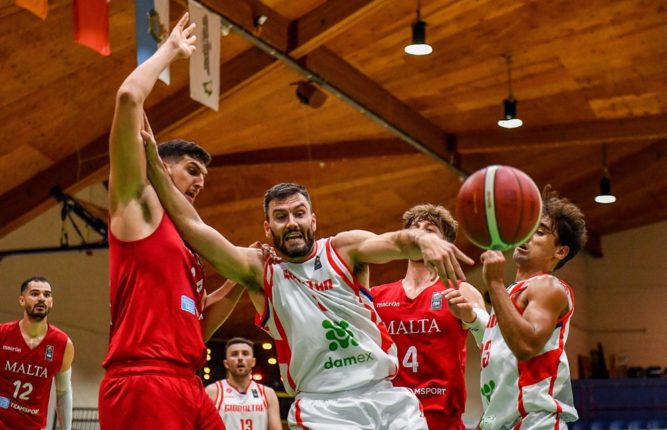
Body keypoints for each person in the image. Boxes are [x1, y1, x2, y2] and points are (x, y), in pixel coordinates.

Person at [142, 132, 475, 429]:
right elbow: (197, 230)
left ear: (313, 219)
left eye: (299, 213)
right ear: (267, 228)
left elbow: (394, 242)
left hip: (385, 397)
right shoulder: (260, 271)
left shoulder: (345, 249)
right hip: (322, 408)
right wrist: (158, 172)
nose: (292, 222)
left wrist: (421, 239)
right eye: (281, 217)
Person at [98, 13, 233, 430]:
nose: (200, 183)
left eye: (204, 177)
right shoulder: (137, 206)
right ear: (161, 163)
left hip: (188, 381)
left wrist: (241, 283)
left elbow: (198, 321)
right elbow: (127, 99)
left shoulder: (188, 239)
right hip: (142, 379)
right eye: (192, 170)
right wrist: (170, 49)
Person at [477, 186, 587, 429]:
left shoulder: (548, 286)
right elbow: (500, 350)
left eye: (539, 232)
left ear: (560, 251)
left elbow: (526, 346)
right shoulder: (508, 293)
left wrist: (493, 282)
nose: (526, 236)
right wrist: (473, 319)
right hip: (499, 420)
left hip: (536, 422)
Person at [372, 204, 488, 430]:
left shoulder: (461, 290)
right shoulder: (377, 296)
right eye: (414, 229)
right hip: (387, 419)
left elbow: (492, 342)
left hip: (441, 420)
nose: (419, 234)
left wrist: (472, 318)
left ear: (444, 245)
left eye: (429, 230)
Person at [0, 276, 74, 430]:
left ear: (51, 302)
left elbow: (63, 391)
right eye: (34, 294)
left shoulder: (63, 344)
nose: (42, 298)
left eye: (47, 295)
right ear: (22, 300)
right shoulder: (2, 334)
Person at [206, 337, 282, 430]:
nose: (240, 358)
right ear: (226, 363)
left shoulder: (268, 393)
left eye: (245, 354)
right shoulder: (213, 391)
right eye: (234, 354)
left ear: (253, 362)